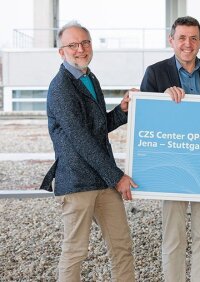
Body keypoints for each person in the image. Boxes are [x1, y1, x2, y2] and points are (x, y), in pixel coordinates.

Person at [40, 21, 138, 281]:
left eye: (85, 43)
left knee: (121, 248)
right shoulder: (61, 87)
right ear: (62, 52)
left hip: (103, 182)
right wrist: (117, 176)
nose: (80, 49)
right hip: (77, 184)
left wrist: (122, 111)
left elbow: (97, 128)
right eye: (73, 45)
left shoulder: (88, 77)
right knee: (75, 252)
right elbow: (81, 139)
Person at [140, 16, 200, 281]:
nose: (187, 44)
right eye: (181, 38)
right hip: (172, 167)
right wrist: (161, 100)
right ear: (171, 40)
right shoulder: (155, 73)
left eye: (193, 38)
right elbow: (144, 118)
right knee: (173, 237)